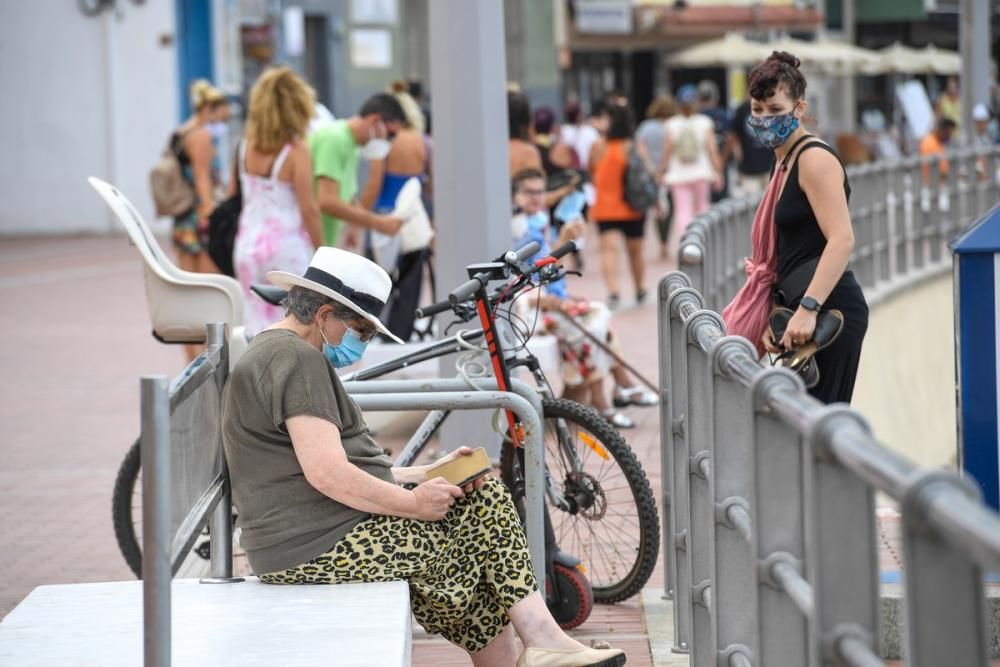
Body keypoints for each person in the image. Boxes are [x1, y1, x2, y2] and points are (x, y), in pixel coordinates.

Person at [221, 246, 628, 667]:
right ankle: (541, 640)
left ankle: (541, 642)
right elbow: (328, 473)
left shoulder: (282, 351)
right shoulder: (296, 359)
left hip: (317, 534)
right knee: (479, 530)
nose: (363, 341)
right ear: (325, 315)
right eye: (361, 329)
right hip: (317, 545)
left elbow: (323, 466)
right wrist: (413, 503)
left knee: (484, 516)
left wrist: (426, 473)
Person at [722, 51, 868, 405]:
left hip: (829, 314)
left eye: (775, 110)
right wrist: (777, 314)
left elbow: (841, 239)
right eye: (757, 111)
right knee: (798, 428)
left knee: (819, 430)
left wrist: (808, 308)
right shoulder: (783, 159)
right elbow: (790, 246)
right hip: (802, 312)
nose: (764, 119)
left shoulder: (813, 159)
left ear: (799, 109)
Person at [511, 169, 654, 428]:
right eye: (528, 192)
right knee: (595, 322)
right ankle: (609, 398)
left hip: (549, 305)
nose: (535, 197)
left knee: (599, 314)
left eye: (539, 192)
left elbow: (545, 272)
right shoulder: (518, 230)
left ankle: (616, 391)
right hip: (529, 312)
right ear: (516, 197)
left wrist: (559, 293)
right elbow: (519, 282)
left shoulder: (537, 222)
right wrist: (563, 243)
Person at [232, 67, 322, 336]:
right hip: (285, 248)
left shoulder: (244, 147)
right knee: (297, 325)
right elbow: (309, 209)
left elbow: (233, 195)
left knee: (255, 322)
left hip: (247, 247)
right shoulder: (295, 151)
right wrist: (323, 251)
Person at [358, 82, 432, 341]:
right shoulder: (424, 143)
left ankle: (370, 329)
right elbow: (430, 185)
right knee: (411, 280)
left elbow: (374, 183)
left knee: (377, 278)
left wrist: (359, 214)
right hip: (412, 217)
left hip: (383, 215)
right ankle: (400, 332)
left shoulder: (384, 143)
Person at [308, 93, 406, 248]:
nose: (389, 142)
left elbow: (347, 195)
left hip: (323, 243)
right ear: (375, 120)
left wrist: (355, 225)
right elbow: (326, 200)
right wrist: (377, 222)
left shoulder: (351, 144)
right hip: (308, 244)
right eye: (390, 134)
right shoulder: (334, 139)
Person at [589, 100, 646, 310]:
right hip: (632, 207)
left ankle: (613, 291)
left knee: (609, 251)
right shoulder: (633, 145)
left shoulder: (598, 146)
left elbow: (593, 171)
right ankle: (639, 288)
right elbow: (646, 171)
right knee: (635, 252)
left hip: (606, 208)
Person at [659, 84, 722, 262]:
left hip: (678, 175)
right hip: (702, 173)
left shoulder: (671, 124)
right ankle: (704, 243)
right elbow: (712, 150)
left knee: (682, 211)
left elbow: (667, 150)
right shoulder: (704, 122)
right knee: (702, 207)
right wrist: (718, 172)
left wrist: (661, 171)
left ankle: (687, 246)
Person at [171, 80, 229, 274]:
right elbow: (202, 176)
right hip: (198, 214)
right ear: (208, 108)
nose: (224, 116)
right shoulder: (200, 136)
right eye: (222, 110)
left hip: (184, 214)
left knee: (187, 280)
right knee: (209, 281)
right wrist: (208, 215)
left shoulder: (183, 130)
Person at [635, 94, 676, 258]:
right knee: (670, 209)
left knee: (657, 208)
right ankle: (666, 243)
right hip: (670, 173)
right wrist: (663, 169)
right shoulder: (673, 126)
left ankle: (661, 243)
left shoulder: (645, 127)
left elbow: (641, 150)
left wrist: (651, 169)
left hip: (650, 174)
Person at [726, 98, 774, 197]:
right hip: (749, 168)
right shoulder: (742, 109)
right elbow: (733, 136)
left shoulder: (772, 107)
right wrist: (737, 154)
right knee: (751, 206)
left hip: (770, 167)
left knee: (770, 204)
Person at [698, 79, 730, 201]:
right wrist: (723, 159)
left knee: (705, 200)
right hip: (720, 158)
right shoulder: (722, 114)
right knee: (722, 198)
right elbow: (729, 138)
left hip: (703, 162)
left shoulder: (697, 115)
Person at [919, 116, 956, 184]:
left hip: (942, 184)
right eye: (947, 132)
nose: (949, 135)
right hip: (932, 186)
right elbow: (936, 173)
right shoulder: (928, 143)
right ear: (940, 129)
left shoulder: (941, 143)